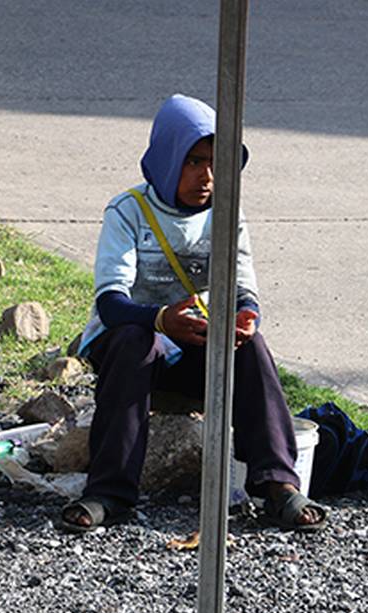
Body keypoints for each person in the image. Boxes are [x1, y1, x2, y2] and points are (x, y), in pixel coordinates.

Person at [59, 94, 327, 532]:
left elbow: (244, 289)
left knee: (252, 345)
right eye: (194, 162)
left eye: (216, 163)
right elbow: (111, 304)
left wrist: (246, 317)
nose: (207, 176)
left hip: (198, 345)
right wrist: (162, 320)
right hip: (135, 350)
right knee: (134, 340)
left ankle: (279, 484)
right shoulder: (128, 211)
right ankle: (108, 492)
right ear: (167, 161)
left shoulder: (226, 214)